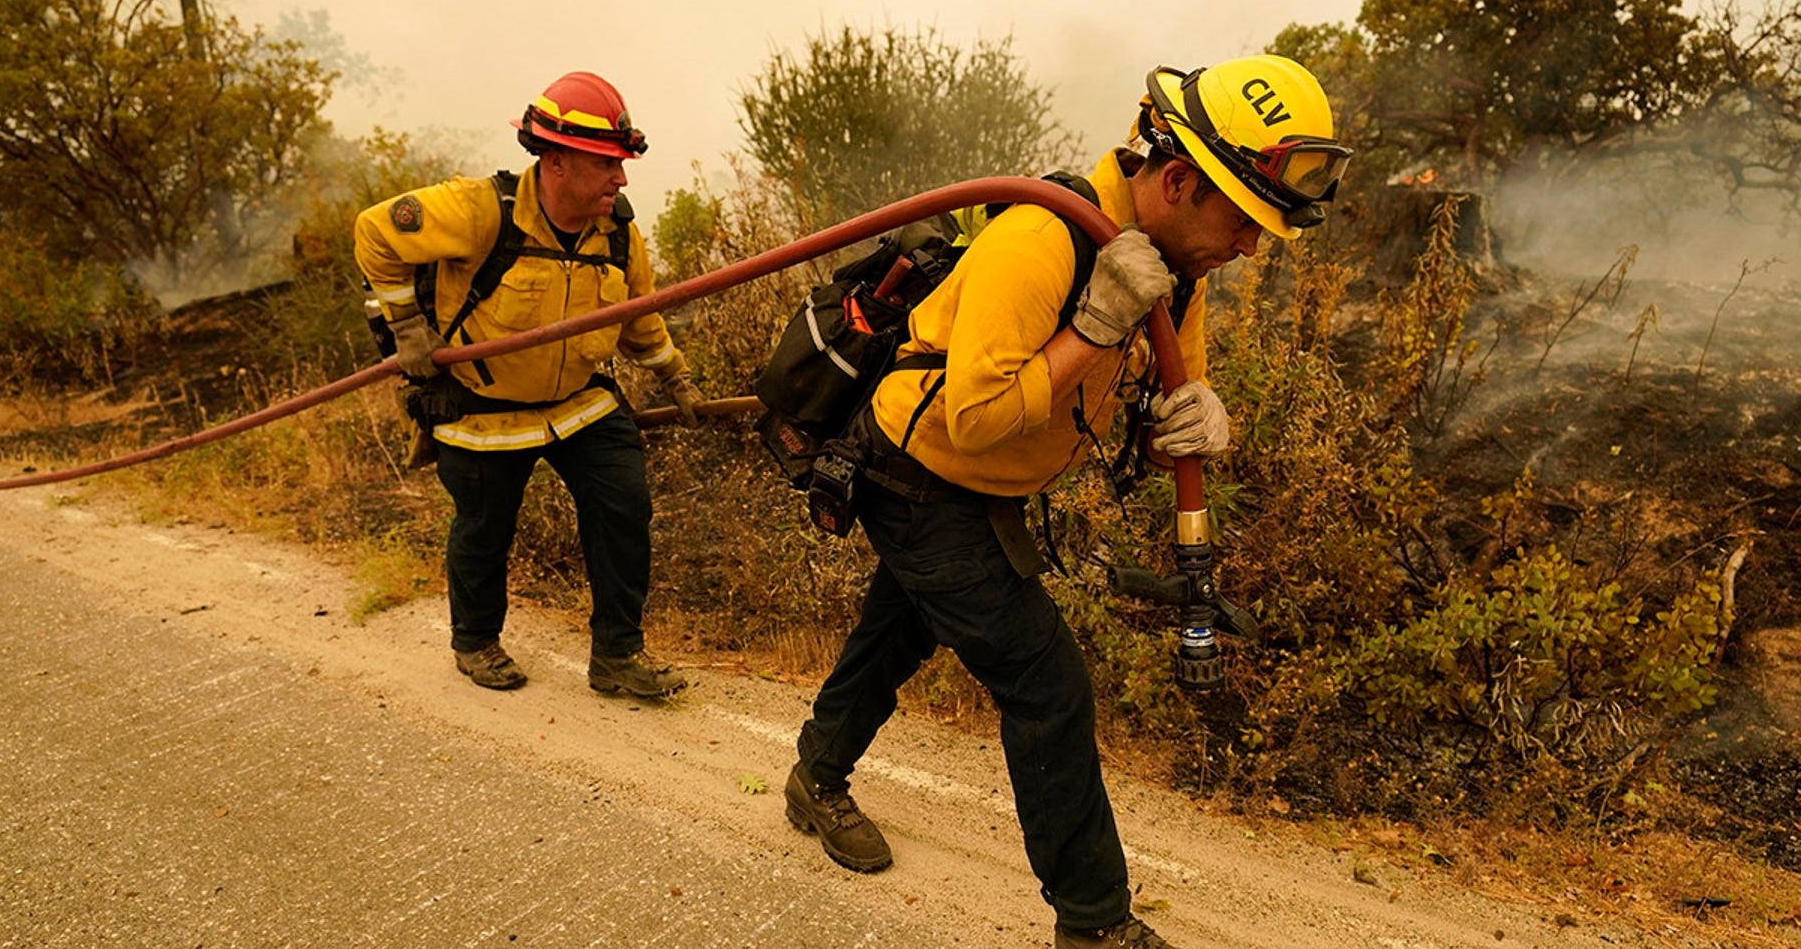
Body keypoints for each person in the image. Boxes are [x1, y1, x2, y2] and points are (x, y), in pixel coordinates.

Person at [783, 55, 1350, 948]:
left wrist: (1196, 422)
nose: (1249, 247)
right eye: (1245, 221)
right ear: (1174, 181)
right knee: (1047, 685)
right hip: (918, 479)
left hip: (987, 485)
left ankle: (815, 775)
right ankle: (1094, 925)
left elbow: (1173, 393)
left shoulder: (1171, 268)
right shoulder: (1040, 242)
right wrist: (1094, 326)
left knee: (899, 630)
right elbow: (973, 421)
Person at [353, 71, 705, 699]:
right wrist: (407, 326)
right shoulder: (476, 209)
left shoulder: (618, 231)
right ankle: (476, 642)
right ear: (557, 161)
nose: (621, 180)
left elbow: (636, 313)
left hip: (578, 401)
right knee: (486, 528)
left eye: (622, 165)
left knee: (624, 507)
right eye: (607, 165)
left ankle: (618, 656)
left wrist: (674, 374)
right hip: (482, 408)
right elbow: (375, 230)